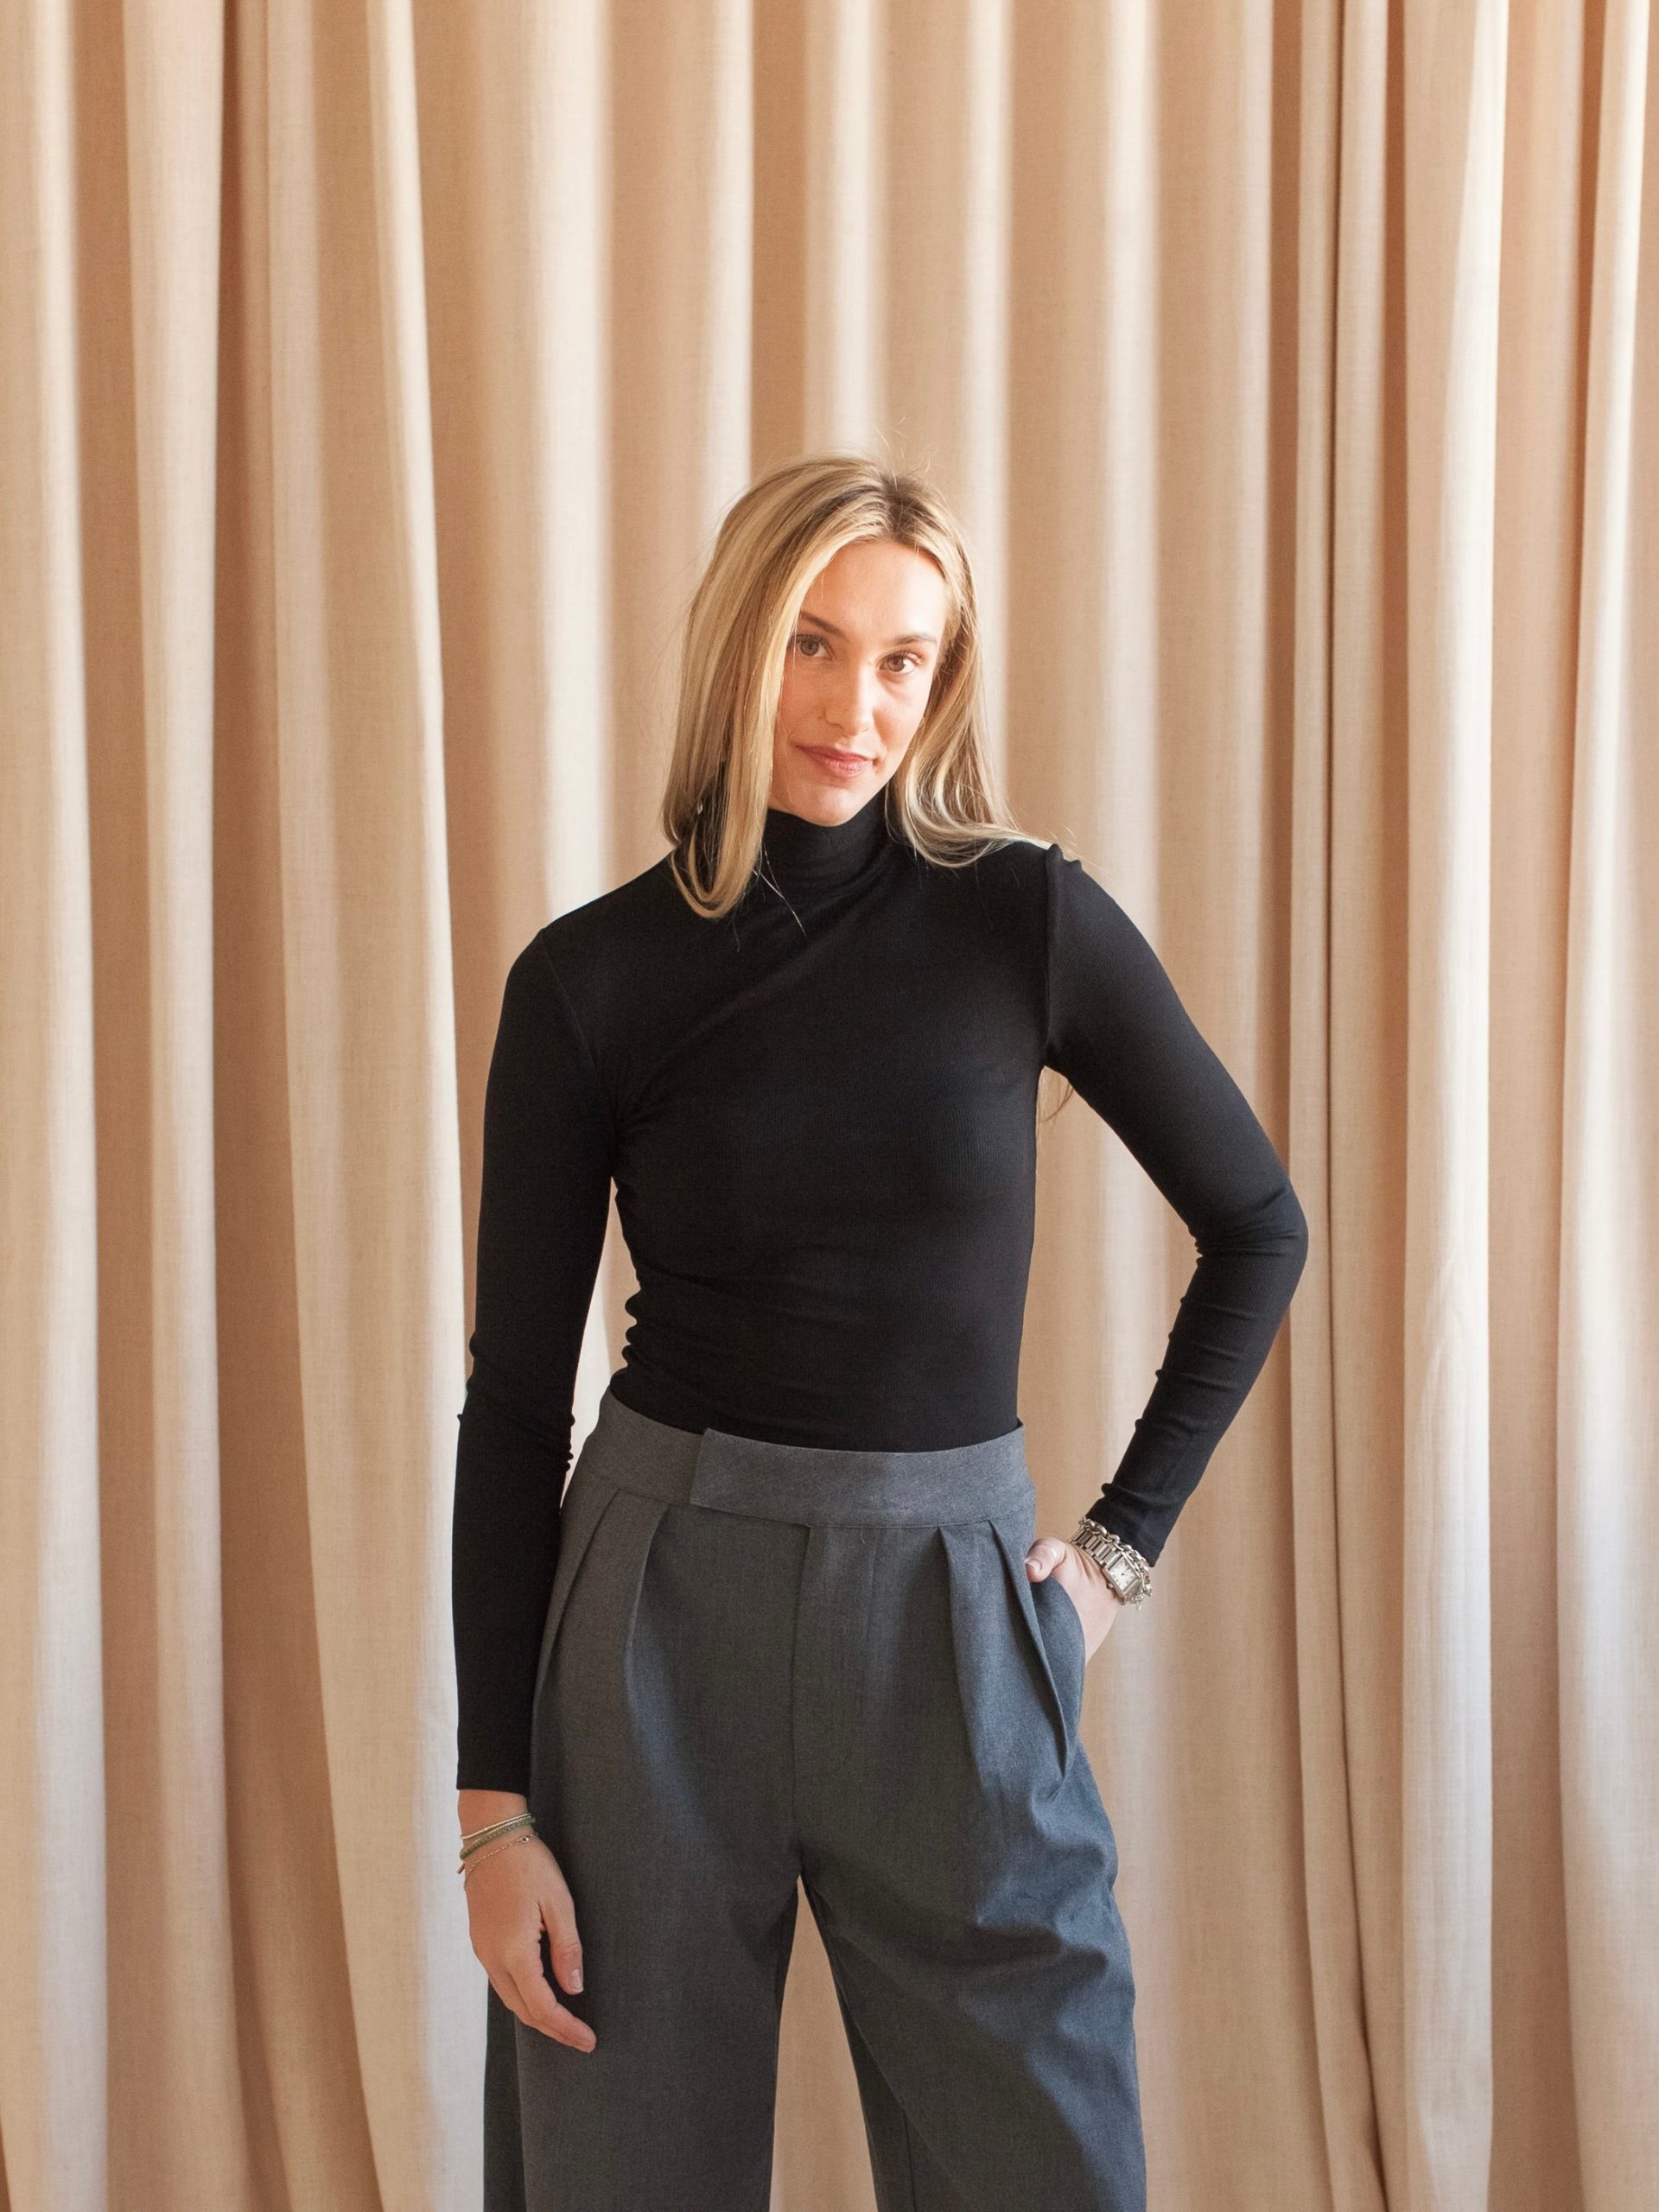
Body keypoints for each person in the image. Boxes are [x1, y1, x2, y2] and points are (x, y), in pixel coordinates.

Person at [450, 453, 1309, 2211]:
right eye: (815, 644)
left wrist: (1113, 1560)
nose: (859, 707)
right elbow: (514, 1402)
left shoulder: (1024, 920)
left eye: (906, 659)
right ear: (737, 645)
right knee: (624, 2175)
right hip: (657, 1616)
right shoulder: (587, 978)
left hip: (953, 1613)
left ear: (945, 677)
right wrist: (494, 1810)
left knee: (1048, 2158)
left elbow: (1258, 1229)